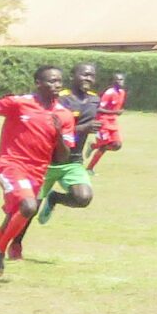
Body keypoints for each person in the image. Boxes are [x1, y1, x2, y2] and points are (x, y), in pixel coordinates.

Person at [0, 64, 72, 277]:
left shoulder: (64, 115)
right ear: (38, 83)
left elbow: (62, 157)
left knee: (11, 221)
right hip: (11, 165)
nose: (57, 85)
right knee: (29, 206)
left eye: (59, 81)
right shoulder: (20, 103)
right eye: (51, 81)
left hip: (37, 172)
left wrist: (58, 134)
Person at [31, 63, 99, 227]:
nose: (88, 78)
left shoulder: (95, 100)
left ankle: (54, 198)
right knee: (30, 210)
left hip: (73, 161)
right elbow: (49, 128)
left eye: (91, 76)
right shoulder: (60, 98)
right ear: (72, 76)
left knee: (83, 198)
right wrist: (83, 128)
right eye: (84, 75)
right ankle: (15, 240)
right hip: (48, 161)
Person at [89, 71, 125, 169]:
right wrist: (115, 112)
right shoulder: (109, 93)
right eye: (117, 80)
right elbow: (98, 109)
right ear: (113, 82)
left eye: (121, 79)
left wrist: (115, 112)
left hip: (112, 122)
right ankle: (89, 168)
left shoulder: (122, 92)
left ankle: (93, 146)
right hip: (102, 122)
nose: (120, 81)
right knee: (104, 146)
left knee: (117, 145)